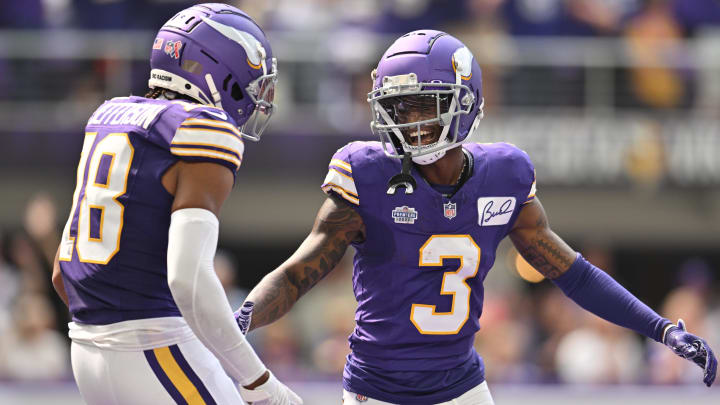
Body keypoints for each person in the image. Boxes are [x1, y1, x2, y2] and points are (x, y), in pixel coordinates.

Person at [234, 30, 717, 404]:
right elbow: (298, 273)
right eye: (398, 108)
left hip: (463, 389)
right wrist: (238, 323)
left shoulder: (504, 174)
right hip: (375, 391)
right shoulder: (366, 173)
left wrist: (661, 328)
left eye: (424, 105)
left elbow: (573, 273)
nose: (409, 122)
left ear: (464, 102)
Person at [51, 4, 302, 404]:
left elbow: (62, 275)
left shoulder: (108, 115)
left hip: (86, 349)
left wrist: (110, 335)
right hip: (154, 346)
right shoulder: (203, 129)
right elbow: (188, 279)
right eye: (252, 82)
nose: (254, 98)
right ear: (221, 69)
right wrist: (258, 381)